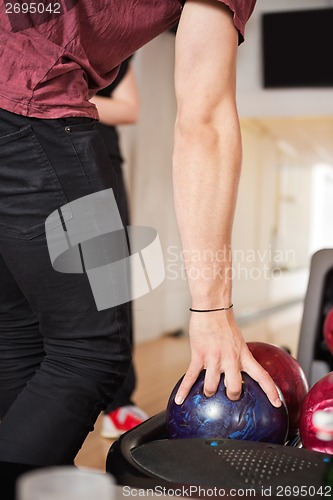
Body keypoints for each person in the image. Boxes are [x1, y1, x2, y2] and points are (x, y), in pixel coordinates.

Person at [0, 0, 281, 466]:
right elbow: (204, 122)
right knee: (91, 352)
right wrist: (213, 312)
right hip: (31, 110)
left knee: (19, 332)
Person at [90, 58, 149, 438]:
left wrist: (62, 100)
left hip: (98, 169)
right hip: (27, 161)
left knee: (110, 286)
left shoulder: (112, 50)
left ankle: (117, 403)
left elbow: (129, 109)